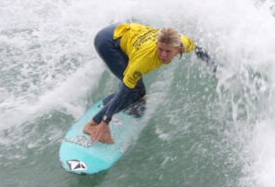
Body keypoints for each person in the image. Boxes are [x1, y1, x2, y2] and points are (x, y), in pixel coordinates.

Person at [83, 22, 212, 144]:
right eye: (160, 49)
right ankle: (92, 124)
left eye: (168, 51)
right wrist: (105, 122)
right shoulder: (144, 60)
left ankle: (110, 102)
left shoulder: (184, 43)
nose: (163, 55)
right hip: (108, 42)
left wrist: (215, 68)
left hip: (125, 34)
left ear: (178, 49)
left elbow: (198, 49)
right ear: (157, 44)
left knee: (138, 92)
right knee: (132, 93)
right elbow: (125, 89)